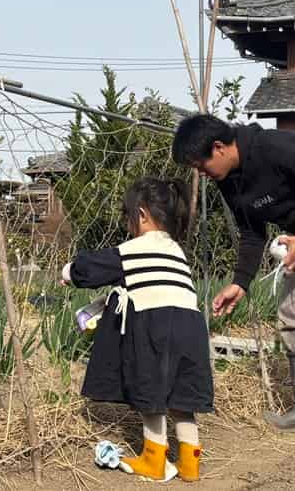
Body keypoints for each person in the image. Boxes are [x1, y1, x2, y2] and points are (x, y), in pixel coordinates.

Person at [172, 114, 295, 438]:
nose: (199, 173)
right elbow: (251, 231)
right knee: (293, 319)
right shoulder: (228, 179)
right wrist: (239, 283)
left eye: (200, 164)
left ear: (219, 147)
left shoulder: (278, 147)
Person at [61, 177, 212, 483]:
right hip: (191, 327)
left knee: (151, 393)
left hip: (156, 325)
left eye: (127, 215)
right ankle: (190, 462)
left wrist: (69, 272)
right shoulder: (177, 251)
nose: (127, 222)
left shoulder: (135, 249)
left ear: (141, 214)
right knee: (182, 398)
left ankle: (154, 460)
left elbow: (93, 267)